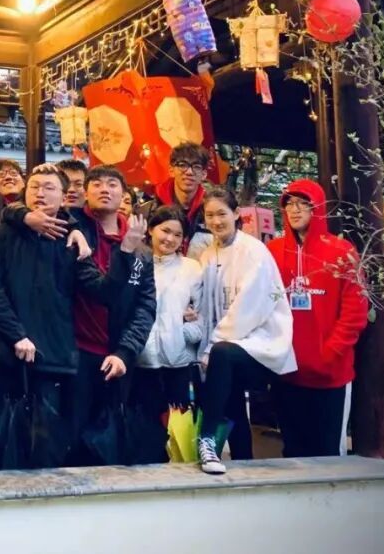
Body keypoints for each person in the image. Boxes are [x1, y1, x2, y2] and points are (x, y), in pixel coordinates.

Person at [0, 164, 138, 468]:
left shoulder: (72, 237)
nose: (40, 193)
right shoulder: (2, 233)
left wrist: (126, 253)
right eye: (34, 186)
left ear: (64, 196)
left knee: (46, 448)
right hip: (4, 354)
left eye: (49, 188)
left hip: (54, 356)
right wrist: (16, 334)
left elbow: (102, 292)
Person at [195, 187, 296, 475]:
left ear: (236, 213)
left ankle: (206, 438)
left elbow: (248, 310)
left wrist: (211, 346)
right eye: (210, 215)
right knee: (230, 394)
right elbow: (204, 304)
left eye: (222, 214)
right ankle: (242, 460)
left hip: (264, 344)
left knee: (221, 356)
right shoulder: (208, 254)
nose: (216, 221)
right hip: (231, 344)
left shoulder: (254, 251)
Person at [267, 179, 368, 457]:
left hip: (329, 375)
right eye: (289, 204)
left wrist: (329, 354)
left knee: (328, 454)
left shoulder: (341, 251)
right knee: (292, 452)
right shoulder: (273, 252)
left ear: (318, 208)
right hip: (287, 373)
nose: (295, 210)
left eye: (303, 204)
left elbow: (355, 312)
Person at [131, 205, 204, 456]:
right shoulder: (136, 262)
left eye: (177, 234)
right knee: (144, 430)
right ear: (151, 229)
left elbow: (202, 315)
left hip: (178, 362)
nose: (170, 239)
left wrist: (182, 333)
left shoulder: (192, 268)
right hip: (141, 360)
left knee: (178, 433)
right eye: (165, 231)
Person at [153, 142, 211, 258]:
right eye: (183, 165)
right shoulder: (151, 211)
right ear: (171, 170)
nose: (189, 172)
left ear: (204, 174)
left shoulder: (210, 212)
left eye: (196, 167)